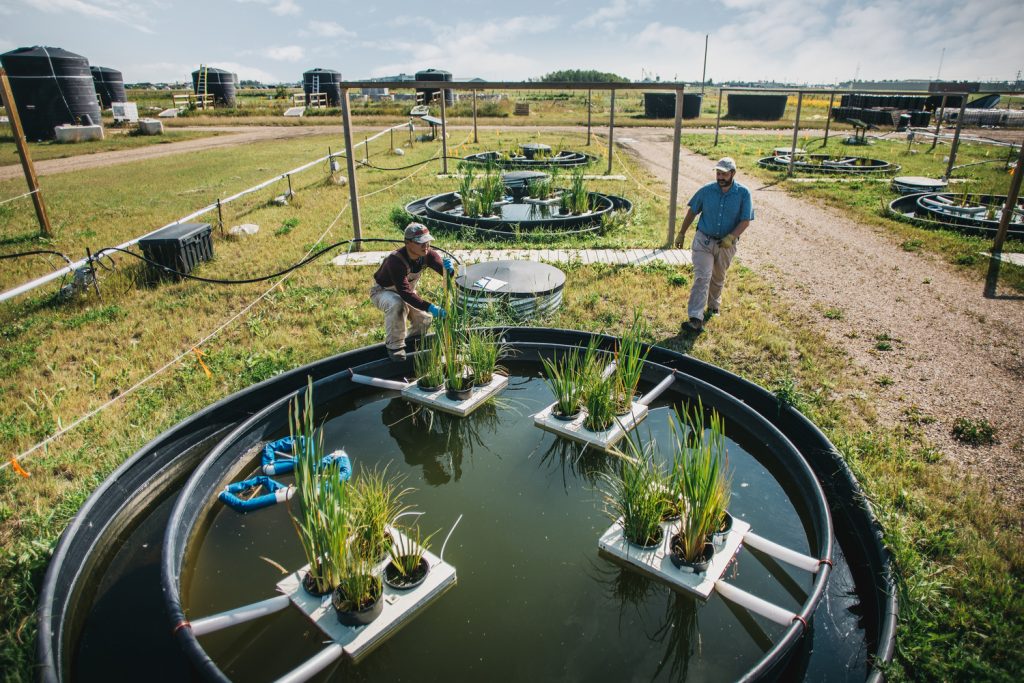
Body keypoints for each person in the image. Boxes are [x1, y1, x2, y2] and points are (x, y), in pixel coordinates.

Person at [674, 157, 754, 334]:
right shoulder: (706, 191)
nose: (720, 177)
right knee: (702, 276)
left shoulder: (743, 193)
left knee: (718, 276)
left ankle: (713, 307)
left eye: (724, 173)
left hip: (726, 244)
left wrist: (731, 237)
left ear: (733, 173)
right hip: (704, 240)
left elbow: (745, 220)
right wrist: (681, 233)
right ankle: (695, 317)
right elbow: (692, 211)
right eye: (718, 173)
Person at [371, 222, 454, 361]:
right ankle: (395, 347)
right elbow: (404, 294)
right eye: (421, 242)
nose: (426, 245)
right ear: (407, 243)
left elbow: (445, 275)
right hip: (383, 292)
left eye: (427, 241)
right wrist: (431, 307)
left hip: (407, 292)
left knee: (424, 319)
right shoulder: (395, 261)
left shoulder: (428, 254)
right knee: (398, 305)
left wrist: (449, 271)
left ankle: (412, 344)